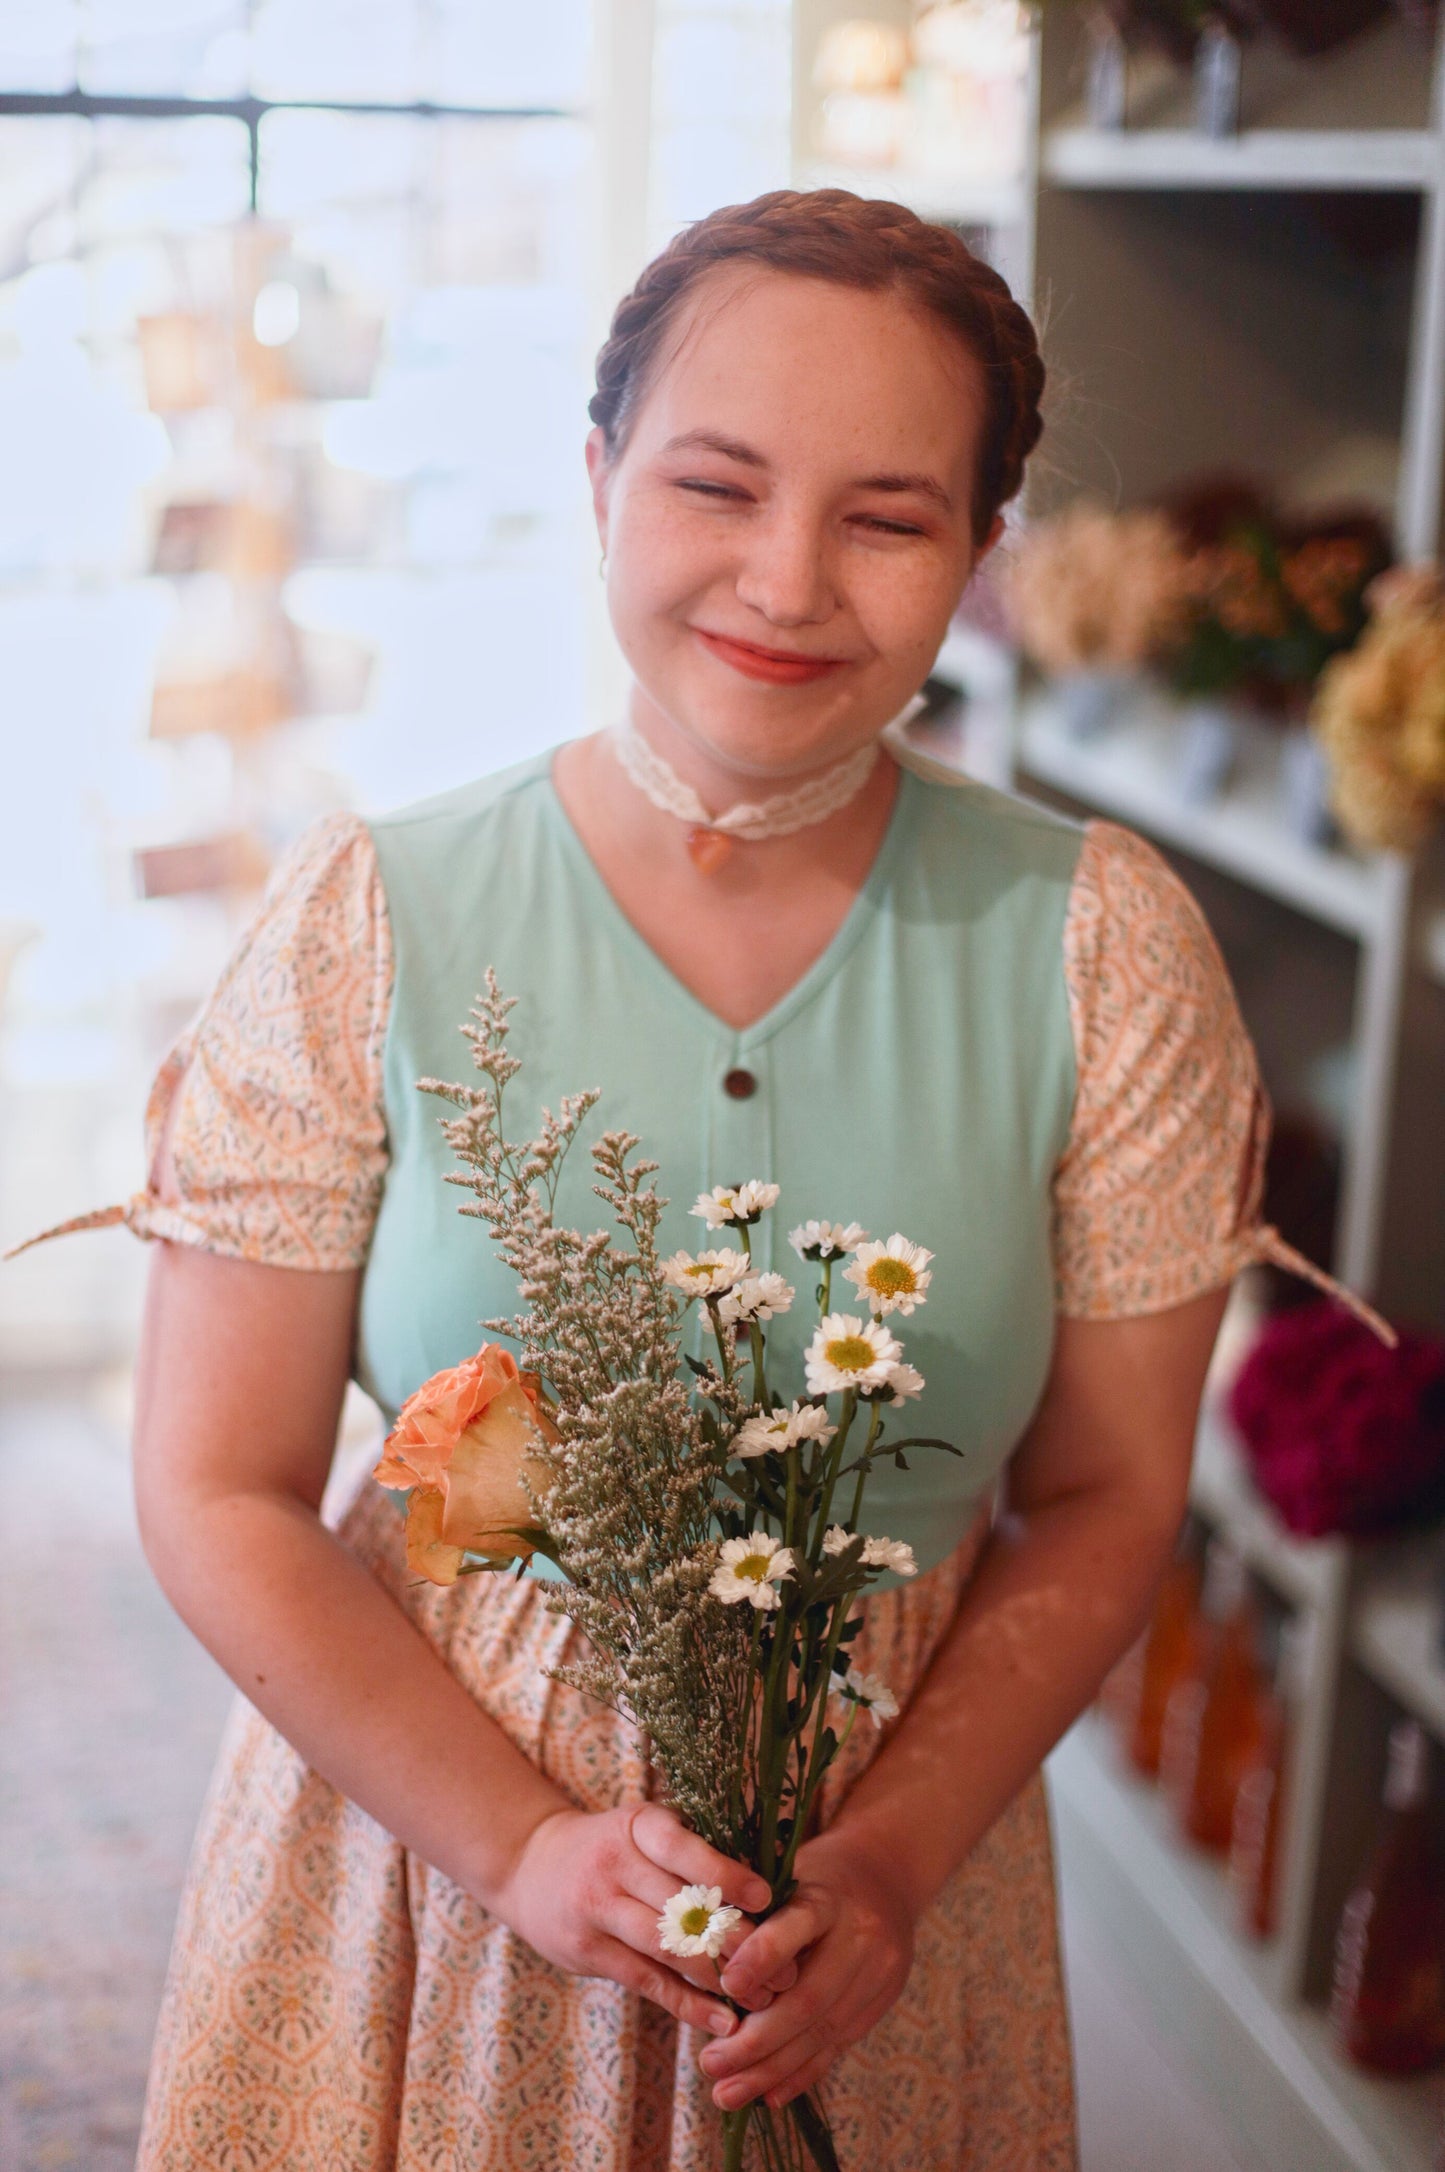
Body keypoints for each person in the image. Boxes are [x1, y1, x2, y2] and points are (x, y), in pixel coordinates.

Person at [31, 189, 1346, 2170]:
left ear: (984, 556)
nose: (786, 582)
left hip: (882, 1904)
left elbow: (1102, 1498)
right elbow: (218, 1483)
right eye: (716, 486)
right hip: (427, 1869)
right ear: (597, 481)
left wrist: (886, 1865)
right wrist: (520, 1847)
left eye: (889, 519)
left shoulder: (1103, 948)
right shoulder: (366, 918)